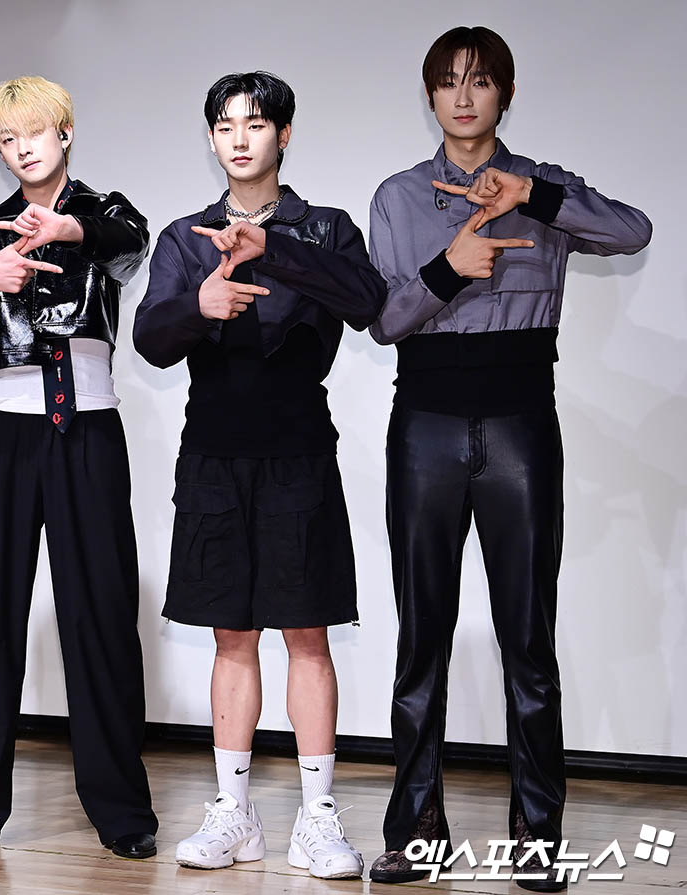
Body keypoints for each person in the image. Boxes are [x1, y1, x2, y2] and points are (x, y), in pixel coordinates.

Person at [365, 27, 652, 891]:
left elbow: (632, 231)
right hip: (426, 428)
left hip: (522, 426)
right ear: (429, 96)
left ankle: (536, 832)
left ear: (506, 94)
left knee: (528, 637)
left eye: (481, 80)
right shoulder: (398, 196)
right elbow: (384, 319)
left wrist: (537, 195)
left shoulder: (539, 187)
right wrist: (450, 268)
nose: (464, 97)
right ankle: (418, 827)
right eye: (448, 82)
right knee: (423, 635)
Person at [133, 71, 385, 879]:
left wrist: (274, 248)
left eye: (255, 123)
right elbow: (149, 338)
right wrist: (197, 305)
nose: (239, 138)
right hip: (212, 454)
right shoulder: (186, 237)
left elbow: (369, 302)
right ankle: (233, 812)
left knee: (307, 633)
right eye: (225, 125)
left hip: (298, 450)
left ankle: (317, 816)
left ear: (284, 134)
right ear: (211, 138)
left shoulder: (326, 228)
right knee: (230, 634)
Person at [0, 76, 158, 859]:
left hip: (87, 427)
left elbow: (129, 246)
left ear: (64, 131)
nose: (22, 147)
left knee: (100, 618)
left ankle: (122, 811)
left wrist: (67, 229)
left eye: (33, 131)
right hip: (3, 431)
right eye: (7, 138)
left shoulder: (107, 212)